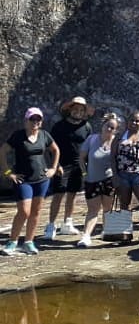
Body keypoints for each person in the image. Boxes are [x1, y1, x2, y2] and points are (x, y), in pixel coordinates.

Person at [0, 107, 60, 255]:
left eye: (38, 119)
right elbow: (2, 151)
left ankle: (29, 242)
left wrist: (53, 168)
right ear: (26, 121)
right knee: (24, 212)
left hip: (41, 180)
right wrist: (8, 173)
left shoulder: (44, 135)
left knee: (36, 211)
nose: (35, 122)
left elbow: (55, 150)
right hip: (23, 180)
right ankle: (12, 242)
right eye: (32, 119)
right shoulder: (18, 136)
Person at [45, 96, 93, 239]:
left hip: (79, 166)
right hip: (62, 165)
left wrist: (87, 166)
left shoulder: (87, 126)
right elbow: (51, 148)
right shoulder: (59, 126)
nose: (78, 112)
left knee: (72, 194)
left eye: (81, 109)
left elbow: (89, 146)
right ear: (70, 110)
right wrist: (56, 165)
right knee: (58, 195)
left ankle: (67, 223)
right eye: (75, 109)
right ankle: (51, 225)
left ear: (84, 112)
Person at [76, 113, 120, 247]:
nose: (109, 130)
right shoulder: (91, 139)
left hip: (109, 180)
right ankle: (86, 236)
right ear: (103, 125)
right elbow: (81, 158)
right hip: (92, 179)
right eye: (108, 126)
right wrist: (84, 173)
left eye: (113, 128)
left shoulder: (116, 142)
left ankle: (107, 231)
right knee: (93, 210)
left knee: (107, 209)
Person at [112, 110, 139, 245]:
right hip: (122, 174)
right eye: (132, 120)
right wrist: (115, 175)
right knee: (125, 204)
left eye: (137, 121)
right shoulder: (119, 137)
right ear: (127, 121)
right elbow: (112, 157)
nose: (134, 123)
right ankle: (126, 234)